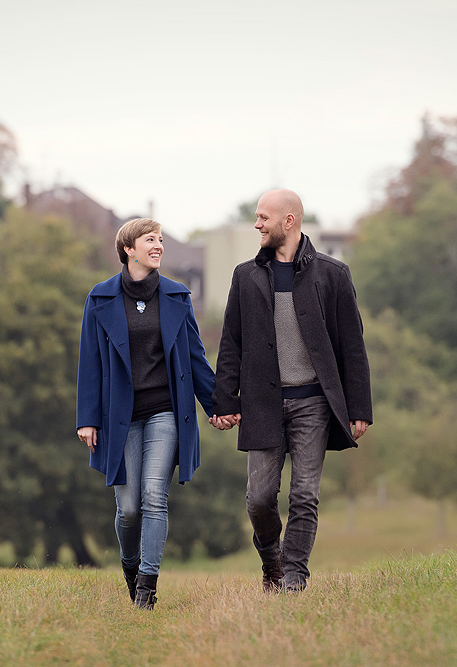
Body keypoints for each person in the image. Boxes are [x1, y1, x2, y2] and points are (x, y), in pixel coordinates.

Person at [211, 189, 372, 593]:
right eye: (256, 217)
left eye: (264, 217)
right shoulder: (245, 276)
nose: (257, 224)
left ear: (289, 221)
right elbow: (231, 342)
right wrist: (224, 400)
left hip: (314, 403)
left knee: (304, 495)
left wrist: (359, 408)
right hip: (262, 403)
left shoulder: (333, 275)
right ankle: (273, 565)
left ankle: (295, 576)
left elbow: (352, 345)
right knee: (260, 499)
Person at [77, 217, 216, 610]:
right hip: (118, 417)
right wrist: (87, 417)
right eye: (149, 240)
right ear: (128, 249)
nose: (158, 246)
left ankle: (147, 588)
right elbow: (89, 361)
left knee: (155, 495)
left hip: (165, 412)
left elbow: (195, 358)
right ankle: (130, 565)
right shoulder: (100, 298)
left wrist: (219, 406)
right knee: (129, 508)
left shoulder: (177, 297)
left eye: (160, 240)